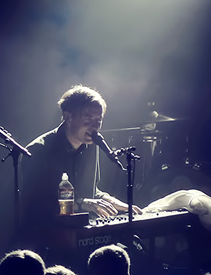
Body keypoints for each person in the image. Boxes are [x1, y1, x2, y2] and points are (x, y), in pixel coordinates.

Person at [21, 85, 141, 229]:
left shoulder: (91, 145)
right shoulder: (38, 150)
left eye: (99, 119)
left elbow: (90, 191)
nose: (95, 126)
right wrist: (81, 203)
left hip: (81, 229)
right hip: (47, 233)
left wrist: (110, 200)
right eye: (88, 118)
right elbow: (38, 204)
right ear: (68, 116)